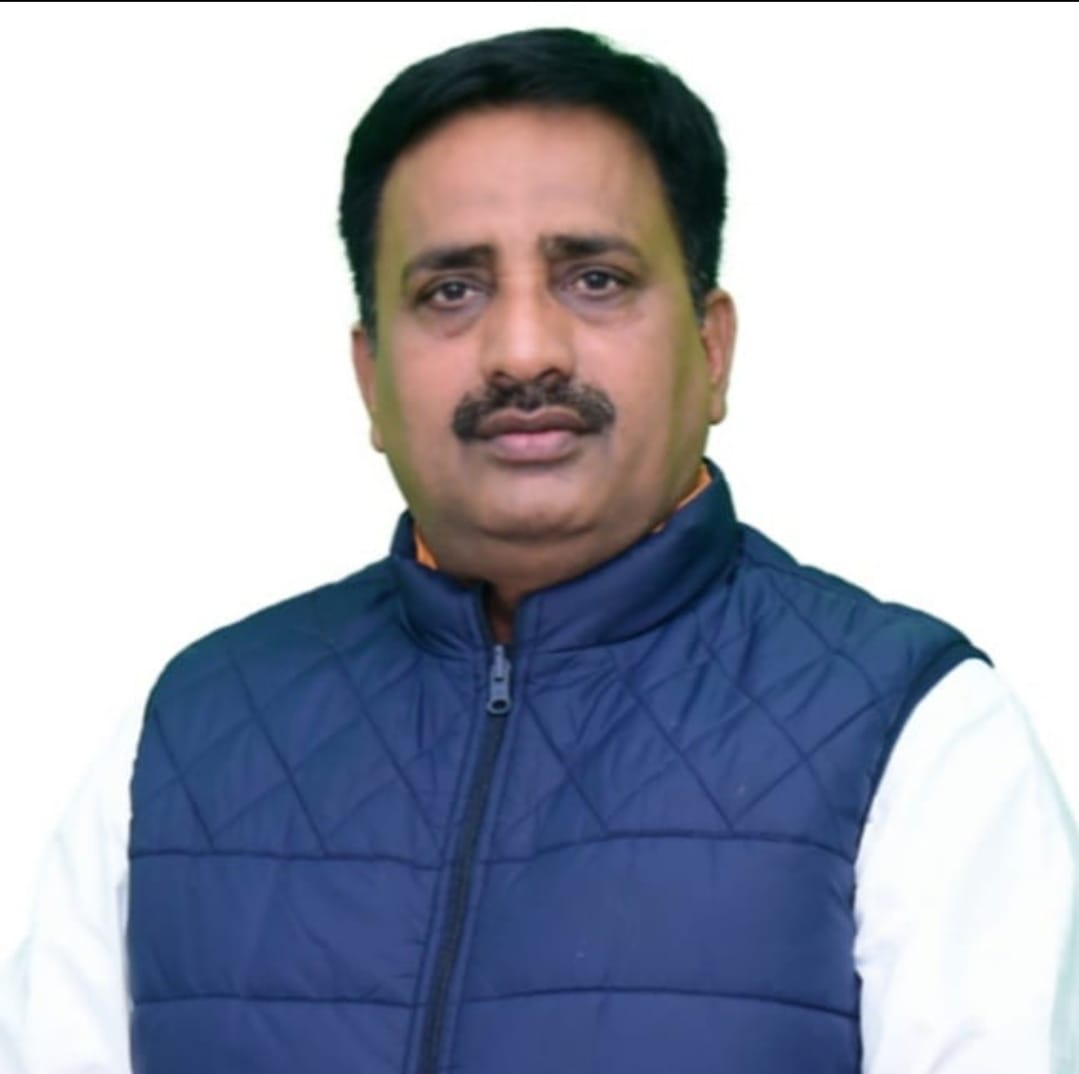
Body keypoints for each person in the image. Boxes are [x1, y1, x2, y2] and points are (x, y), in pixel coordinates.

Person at [2, 25, 1076, 1074]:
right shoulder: (190, 736)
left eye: (594, 278)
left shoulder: (913, 733)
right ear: (370, 377)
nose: (522, 351)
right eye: (451, 291)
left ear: (711, 349)